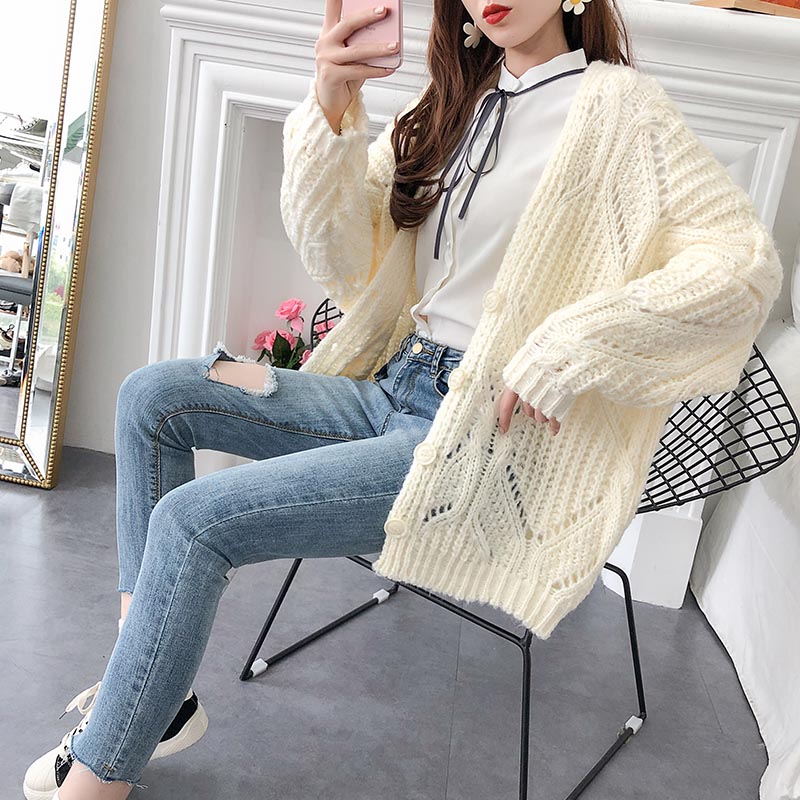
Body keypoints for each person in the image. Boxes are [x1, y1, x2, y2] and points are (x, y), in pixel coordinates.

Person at [24, 0, 783, 797]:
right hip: (392, 386)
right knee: (153, 398)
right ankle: (151, 695)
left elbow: (742, 268)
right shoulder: (454, 105)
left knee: (193, 521)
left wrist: (570, 346)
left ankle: (100, 774)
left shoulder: (623, 110)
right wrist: (330, 102)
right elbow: (343, 252)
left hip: (479, 440)